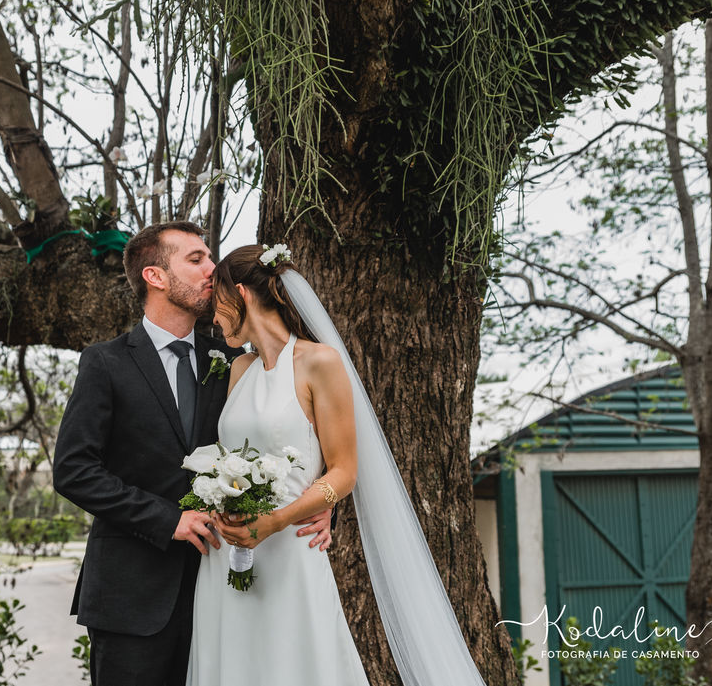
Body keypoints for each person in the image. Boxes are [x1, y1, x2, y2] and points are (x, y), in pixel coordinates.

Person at [187, 243, 490, 686]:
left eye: (216, 303)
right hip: (226, 554)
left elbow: (344, 470)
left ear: (241, 294)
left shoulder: (319, 362)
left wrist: (276, 520)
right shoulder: (240, 368)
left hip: (288, 549)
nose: (213, 318)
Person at [52, 222, 331, 686]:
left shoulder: (232, 358)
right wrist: (169, 519)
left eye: (211, 258)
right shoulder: (106, 362)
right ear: (155, 276)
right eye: (196, 259)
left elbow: (287, 430)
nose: (211, 270)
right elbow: (74, 471)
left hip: (226, 591)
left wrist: (320, 504)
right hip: (132, 596)